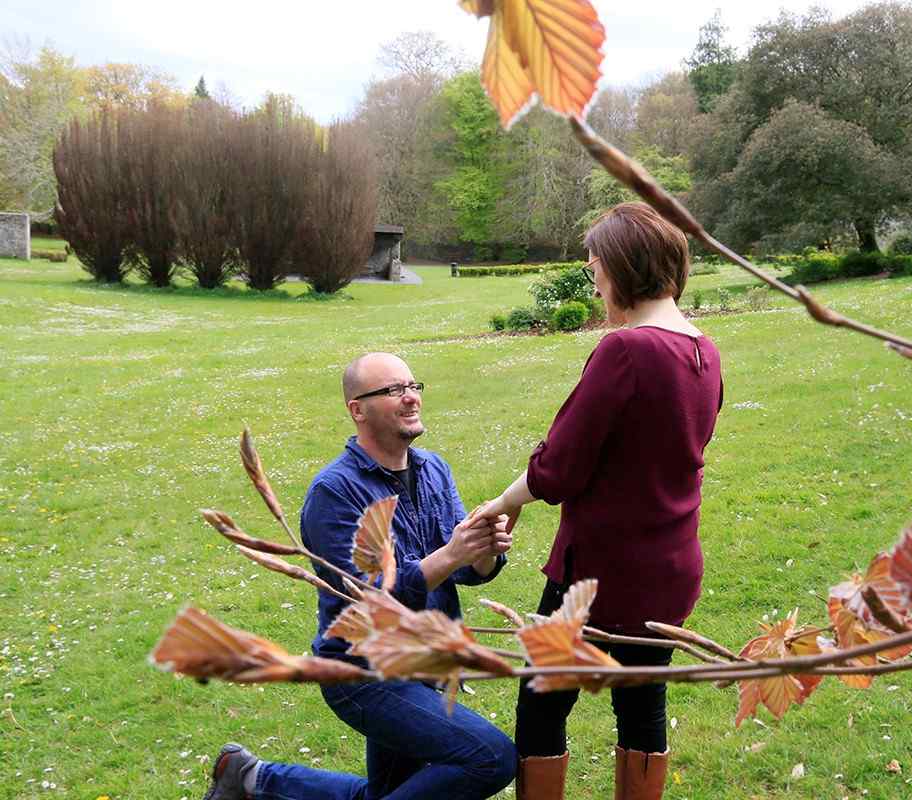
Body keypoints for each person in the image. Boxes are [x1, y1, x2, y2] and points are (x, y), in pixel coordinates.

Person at [473, 202, 724, 800]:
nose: (596, 283)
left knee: (542, 704)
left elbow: (559, 468)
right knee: (641, 704)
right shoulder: (703, 350)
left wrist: (506, 502)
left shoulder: (627, 349)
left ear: (622, 267)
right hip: (670, 566)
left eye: (596, 271)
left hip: (601, 573)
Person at [204, 352, 517, 800]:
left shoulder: (433, 469)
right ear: (357, 409)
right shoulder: (334, 492)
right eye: (393, 390)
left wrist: (484, 552)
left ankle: (250, 778)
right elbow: (369, 601)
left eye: (413, 386)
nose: (411, 398)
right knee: (490, 757)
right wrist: (452, 555)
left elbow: (463, 570)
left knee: (389, 793)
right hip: (363, 676)